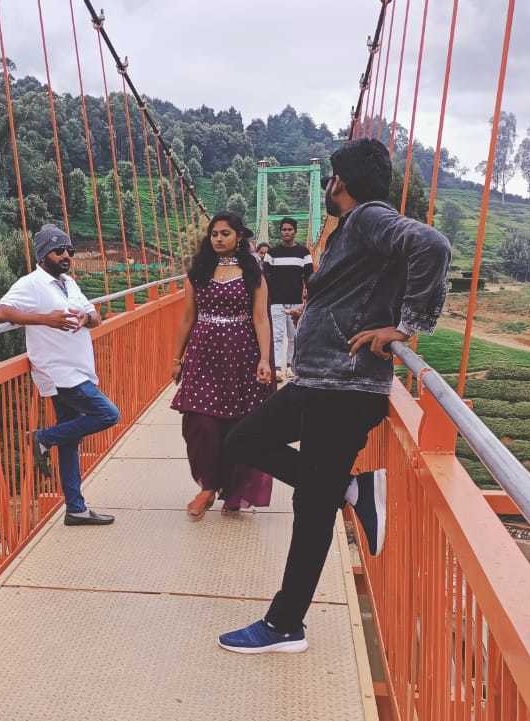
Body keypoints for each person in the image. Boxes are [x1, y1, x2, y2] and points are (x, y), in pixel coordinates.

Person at [217, 138, 451, 654]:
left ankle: (285, 625)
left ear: (339, 182)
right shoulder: (353, 227)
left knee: (311, 507)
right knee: (244, 441)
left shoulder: (368, 216)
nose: (327, 186)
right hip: (319, 382)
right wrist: (319, 312)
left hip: (345, 389)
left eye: (329, 178)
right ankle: (349, 489)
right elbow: (358, 288)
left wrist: (404, 327)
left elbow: (432, 246)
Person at [0, 224, 119, 526]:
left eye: (69, 251)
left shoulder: (69, 283)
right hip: (58, 371)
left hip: (80, 368)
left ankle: (75, 509)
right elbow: (1, 312)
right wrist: (45, 320)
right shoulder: (31, 284)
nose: (66, 255)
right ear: (42, 255)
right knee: (108, 414)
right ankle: (42, 437)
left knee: (70, 441)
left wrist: (86, 317)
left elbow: (96, 318)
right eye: (58, 250)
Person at [170, 212, 275, 519]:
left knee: (239, 424)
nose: (218, 239)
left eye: (225, 233)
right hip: (203, 354)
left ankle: (234, 490)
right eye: (214, 233)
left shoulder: (253, 272)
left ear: (238, 237)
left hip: (241, 355)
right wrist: (176, 358)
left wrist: (265, 359)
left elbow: (260, 318)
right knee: (199, 422)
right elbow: (187, 318)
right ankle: (208, 486)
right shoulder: (199, 271)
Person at [263, 218, 312, 380]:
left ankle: (291, 366)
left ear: (295, 231)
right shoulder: (271, 253)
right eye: (284, 229)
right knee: (277, 335)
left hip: (296, 301)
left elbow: (310, 278)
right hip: (276, 301)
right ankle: (277, 368)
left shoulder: (304, 252)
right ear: (280, 231)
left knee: (294, 336)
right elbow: (264, 278)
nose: (286, 232)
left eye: (290, 229)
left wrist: (309, 299)